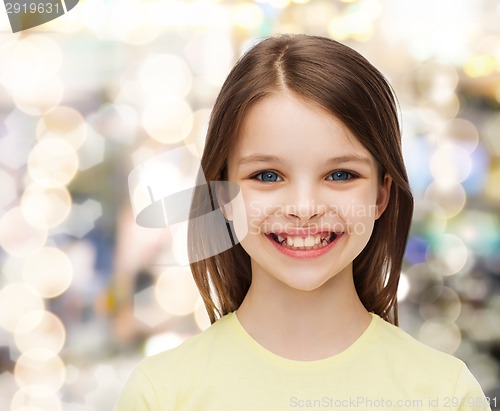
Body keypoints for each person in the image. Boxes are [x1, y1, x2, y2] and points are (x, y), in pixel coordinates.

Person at [114, 34, 491, 410]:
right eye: (267, 176)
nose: (304, 207)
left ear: (381, 194)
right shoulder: (160, 394)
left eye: (340, 175)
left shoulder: (447, 393)